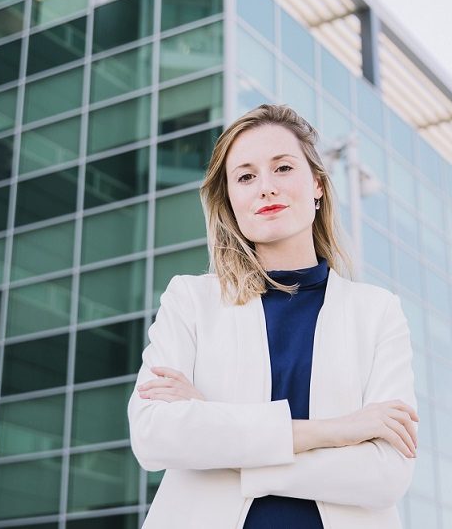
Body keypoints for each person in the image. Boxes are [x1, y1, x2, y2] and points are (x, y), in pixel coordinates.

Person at [127, 103, 419, 528]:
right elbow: (154, 435)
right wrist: (339, 429)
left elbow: (386, 475)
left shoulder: (377, 312)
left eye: (282, 168)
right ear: (230, 198)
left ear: (317, 184)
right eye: (245, 176)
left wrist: (221, 437)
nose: (266, 187)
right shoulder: (190, 299)